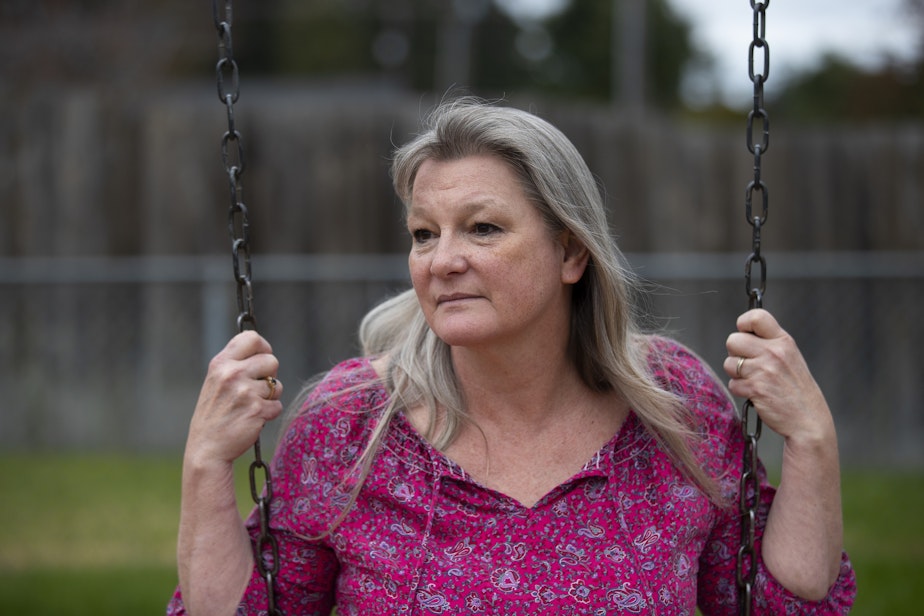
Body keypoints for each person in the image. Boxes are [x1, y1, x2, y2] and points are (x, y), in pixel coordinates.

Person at [168, 98, 856, 615]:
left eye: (483, 228)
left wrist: (812, 439)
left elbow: (783, 603)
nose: (442, 261)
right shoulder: (350, 424)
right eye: (423, 234)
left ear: (569, 250)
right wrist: (204, 466)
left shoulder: (675, 407)